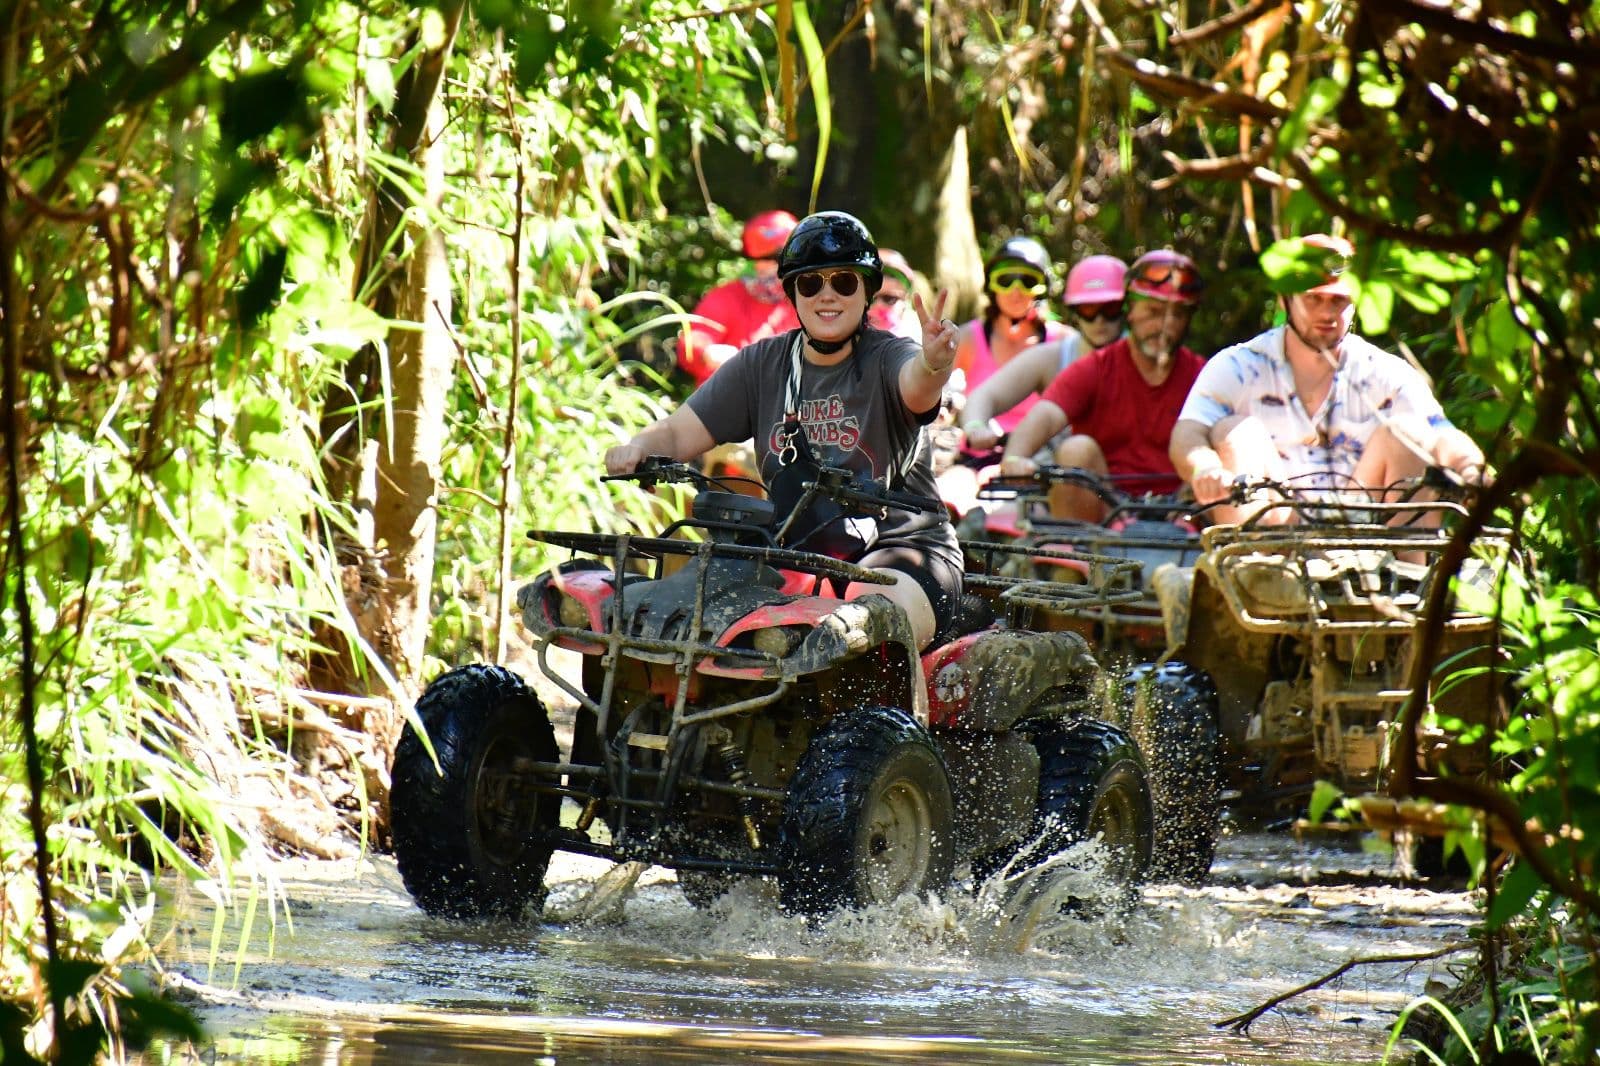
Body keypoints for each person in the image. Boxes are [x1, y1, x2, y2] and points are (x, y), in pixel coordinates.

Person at [606, 211, 965, 652]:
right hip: (791, 555)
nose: (826, 295)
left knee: (855, 619)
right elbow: (680, 433)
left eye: (844, 282)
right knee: (691, 609)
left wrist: (933, 364)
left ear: (867, 290)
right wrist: (638, 448)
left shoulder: (891, 356)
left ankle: (888, 721)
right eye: (810, 283)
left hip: (905, 553)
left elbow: (917, 386)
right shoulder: (762, 364)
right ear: (792, 292)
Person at [1169, 233, 1488, 525]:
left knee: (1409, 432)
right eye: (1313, 299)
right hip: (1274, 530)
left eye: (1338, 300)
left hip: (1368, 534)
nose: (1326, 313)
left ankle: (1410, 576)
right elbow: (1189, 431)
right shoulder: (1238, 366)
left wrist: (1473, 470)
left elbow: (1440, 432)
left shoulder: (1385, 372)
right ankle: (1250, 571)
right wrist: (1205, 469)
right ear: (1285, 300)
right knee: (1233, 431)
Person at [998, 250, 1207, 521]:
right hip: (1105, 511)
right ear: (1129, 311)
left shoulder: (1202, 374)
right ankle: (1072, 558)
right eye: (1153, 312)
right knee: (1075, 449)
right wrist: (1015, 458)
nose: (1164, 326)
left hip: (1181, 512)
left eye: (1177, 315)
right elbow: (1047, 415)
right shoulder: (1098, 367)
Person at [934, 236, 1070, 510]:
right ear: (991, 285)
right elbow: (935, 387)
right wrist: (967, 425)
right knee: (946, 500)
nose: (1016, 291)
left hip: (1038, 462)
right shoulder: (969, 337)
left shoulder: (1064, 343)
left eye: (1028, 281)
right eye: (1006, 280)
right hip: (976, 457)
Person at [961, 254, 1128, 452]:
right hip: (1066, 471)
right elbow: (984, 395)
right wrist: (976, 427)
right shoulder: (1057, 356)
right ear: (1075, 310)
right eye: (1089, 309)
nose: (1100, 320)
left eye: (1110, 308)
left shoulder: (1146, 359)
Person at [676, 210, 801, 386]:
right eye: (766, 259)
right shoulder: (727, 297)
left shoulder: (807, 300)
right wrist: (707, 351)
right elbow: (694, 339)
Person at [869, 248, 923, 342]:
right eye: (869, 298)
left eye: (889, 299)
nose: (878, 305)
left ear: (906, 300)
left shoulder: (923, 343)